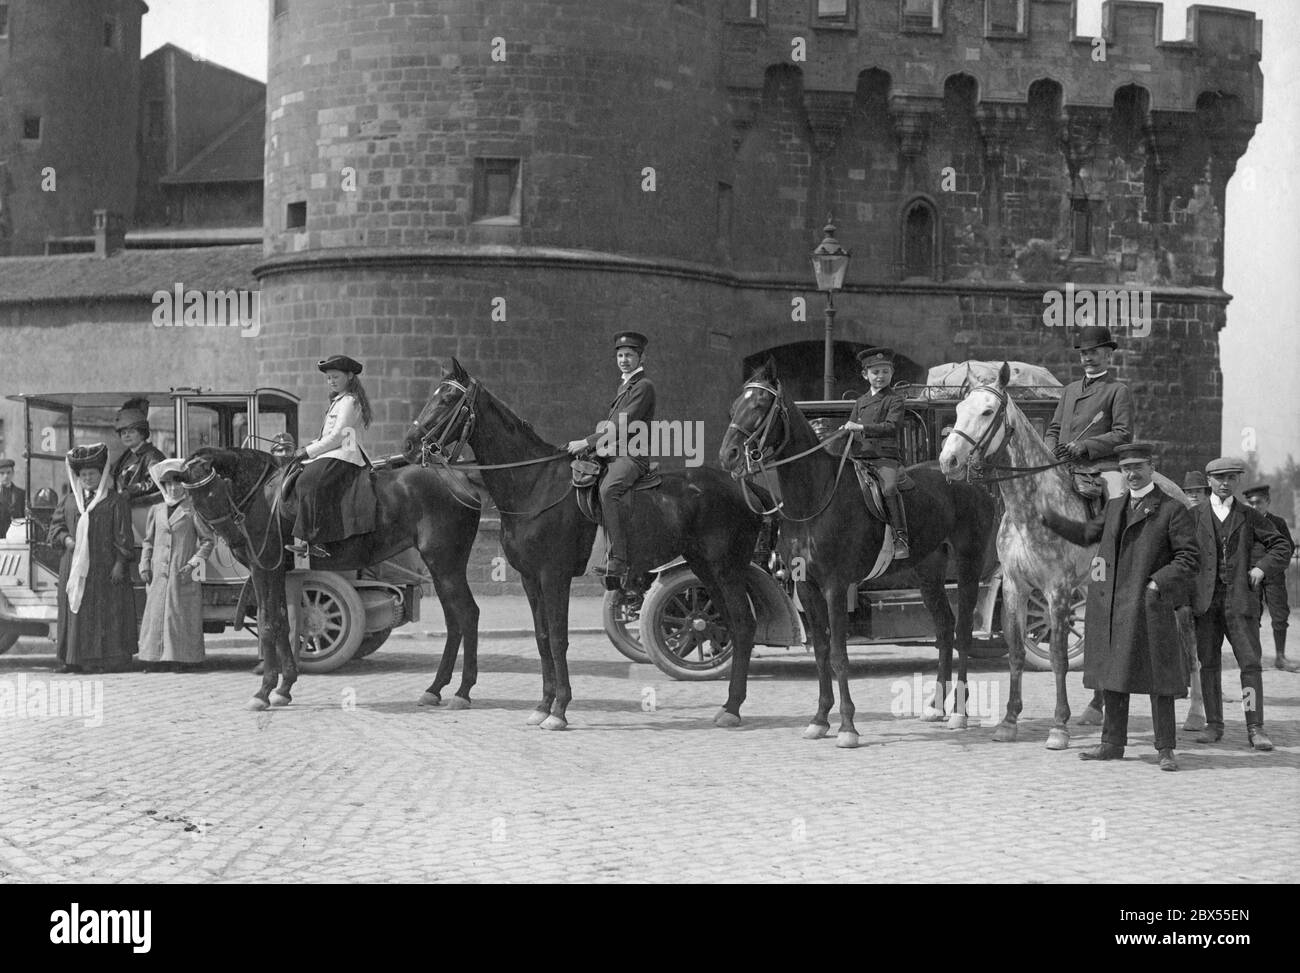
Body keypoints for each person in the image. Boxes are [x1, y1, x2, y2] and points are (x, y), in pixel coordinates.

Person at [1041, 443, 1199, 771]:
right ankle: (1112, 743)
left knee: (1160, 680)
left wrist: (1157, 583)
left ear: (1151, 467)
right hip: (1113, 607)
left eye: (1138, 467)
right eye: (1126, 468)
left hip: (1148, 606)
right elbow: (1086, 534)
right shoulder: (1114, 506)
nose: (1131, 473)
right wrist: (1050, 519)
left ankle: (1166, 748)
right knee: (1112, 675)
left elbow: (1189, 558)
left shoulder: (1171, 509)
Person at [1190, 457, 1292, 750]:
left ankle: (1255, 727)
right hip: (1206, 604)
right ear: (1208, 480)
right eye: (1219, 477)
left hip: (1241, 602)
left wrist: (1262, 567)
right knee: (1208, 664)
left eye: (1231, 478)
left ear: (1237, 482)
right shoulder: (1194, 516)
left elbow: (1282, 545)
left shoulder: (1249, 516)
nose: (1225, 483)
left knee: (1250, 664)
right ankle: (1213, 725)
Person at [567, 331, 656, 584]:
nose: (624, 360)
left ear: (641, 357)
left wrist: (587, 441)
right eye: (620, 355)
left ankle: (618, 560)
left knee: (609, 490)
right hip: (613, 453)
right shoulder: (625, 385)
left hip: (632, 457)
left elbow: (622, 423)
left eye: (629, 355)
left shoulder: (643, 387)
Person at [47, 444, 138, 673]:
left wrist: (119, 564)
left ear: (101, 475)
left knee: (100, 613)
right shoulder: (69, 502)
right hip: (74, 566)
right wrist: (67, 540)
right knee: (74, 612)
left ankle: (99, 661)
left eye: (92, 474)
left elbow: (124, 536)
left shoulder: (115, 501)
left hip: (104, 567)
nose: (87, 478)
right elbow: (55, 529)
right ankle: (72, 660)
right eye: (83, 475)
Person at [287, 356, 374, 558]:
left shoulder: (350, 401)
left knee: (309, 481)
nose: (331, 381)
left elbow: (338, 437)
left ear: (350, 376)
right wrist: (309, 446)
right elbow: (327, 436)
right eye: (328, 378)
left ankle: (318, 541)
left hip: (345, 454)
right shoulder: (339, 401)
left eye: (335, 377)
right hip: (335, 451)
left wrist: (308, 452)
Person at [138, 459, 216, 671]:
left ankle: (181, 659)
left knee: (180, 615)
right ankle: (153, 659)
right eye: (169, 484)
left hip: (182, 570)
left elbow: (208, 541)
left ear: (185, 485)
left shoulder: (193, 509)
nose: (173, 487)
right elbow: (148, 540)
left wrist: (192, 564)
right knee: (156, 615)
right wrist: (144, 564)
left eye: (178, 483)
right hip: (158, 573)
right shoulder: (156, 509)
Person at [1044, 326, 1133, 498]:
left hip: (1101, 468)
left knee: (1117, 496)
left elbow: (1123, 434)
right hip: (1063, 465)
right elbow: (1054, 429)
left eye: (1093, 353)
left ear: (1108, 355)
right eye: (1084, 354)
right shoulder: (1069, 390)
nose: (1087, 358)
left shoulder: (1118, 390)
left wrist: (1085, 446)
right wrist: (1050, 450)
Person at [841, 347, 910, 558]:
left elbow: (892, 426)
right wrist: (842, 432)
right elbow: (851, 426)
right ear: (865, 375)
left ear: (892, 373)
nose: (880, 377)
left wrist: (861, 428)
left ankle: (901, 538)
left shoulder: (895, 399)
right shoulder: (860, 402)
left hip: (884, 458)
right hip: (859, 457)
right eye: (875, 372)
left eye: (885, 372)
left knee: (889, 488)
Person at [1242, 483, 1297, 672]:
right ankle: (1254, 658)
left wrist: (1273, 566)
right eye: (1250, 503)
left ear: (1268, 502)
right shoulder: (1243, 523)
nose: (1255, 506)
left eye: (1259, 502)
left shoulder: (1278, 522)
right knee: (1252, 615)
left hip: (1273, 576)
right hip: (1251, 576)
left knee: (1280, 615)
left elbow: (1287, 548)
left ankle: (1280, 657)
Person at [108, 398, 167, 508]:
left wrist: (129, 491)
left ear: (142, 433)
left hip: (144, 511)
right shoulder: (126, 456)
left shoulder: (153, 456)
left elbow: (156, 482)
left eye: (131, 432)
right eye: (123, 433)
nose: (126, 436)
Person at [0, 457, 25, 538]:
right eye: (2, 473)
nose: (6, 476)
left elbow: (24, 516)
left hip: (15, 536)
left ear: (13, 473)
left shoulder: (21, 493)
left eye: (8, 472)